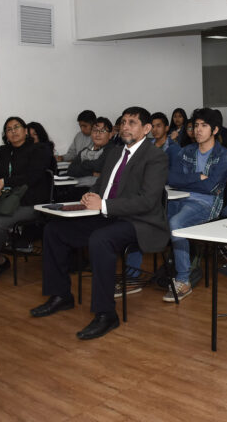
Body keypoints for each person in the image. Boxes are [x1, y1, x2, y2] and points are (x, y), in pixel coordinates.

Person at [29, 107, 169, 340]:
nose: (125, 126)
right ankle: (60, 295)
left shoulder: (155, 156)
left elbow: (147, 201)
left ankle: (106, 314)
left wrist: (103, 206)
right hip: (109, 216)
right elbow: (102, 185)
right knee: (54, 230)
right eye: (123, 122)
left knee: (101, 240)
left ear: (146, 129)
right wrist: (90, 196)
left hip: (141, 222)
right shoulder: (115, 153)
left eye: (132, 122)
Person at [126, 108, 227, 301]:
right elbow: (172, 178)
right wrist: (196, 177)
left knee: (176, 224)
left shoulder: (224, 156)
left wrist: (190, 180)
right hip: (177, 198)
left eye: (204, 126)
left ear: (215, 130)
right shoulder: (186, 151)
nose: (198, 130)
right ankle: (131, 276)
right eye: (196, 126)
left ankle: (183, 280)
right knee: (144, 217)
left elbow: (211, 187)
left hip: (206, 204)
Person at [0, 116, 53, 280]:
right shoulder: (3, 151)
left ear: (26, 131)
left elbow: (33, 176)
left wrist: (5, 182)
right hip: (4, 201)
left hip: (29, 202)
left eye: (16, 127)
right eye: (9, 129)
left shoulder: (39, 149)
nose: (13, 132)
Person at [65, 117, 117, 190]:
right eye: (95, 130)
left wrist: (84, 163)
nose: (97, 134)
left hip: (96, 191)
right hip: (78, 187)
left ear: (110, 134)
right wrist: (92, 173)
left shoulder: (113, 149)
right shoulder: (85, 150)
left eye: (102, 131)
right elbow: (71, 170)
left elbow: (99, 165)